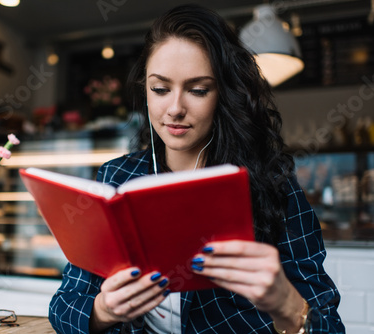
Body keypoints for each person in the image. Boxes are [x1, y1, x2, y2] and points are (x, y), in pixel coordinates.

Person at [49, 4, 344, 334]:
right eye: (160, 89)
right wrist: (103, 310)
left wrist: (286, 304)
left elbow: (330, 326)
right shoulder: (116, 178)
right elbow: (64, 306)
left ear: (224, 94)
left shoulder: (272, 184)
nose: (175, 108)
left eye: (198, 90)